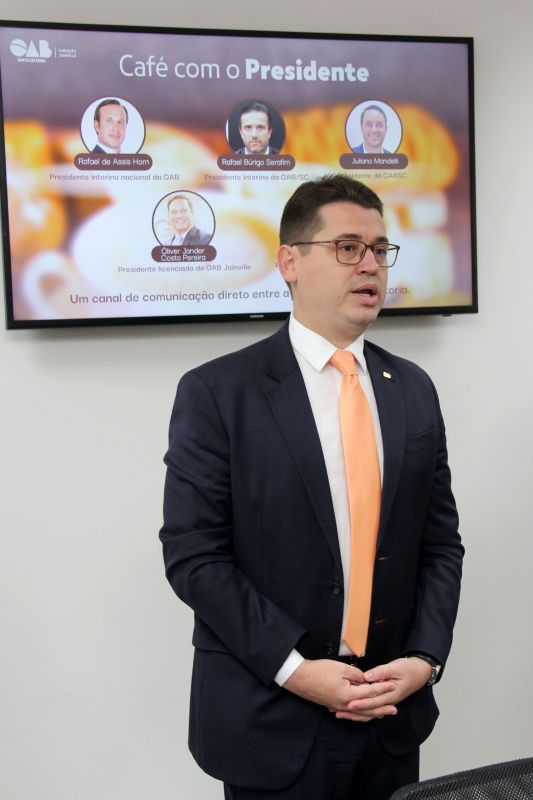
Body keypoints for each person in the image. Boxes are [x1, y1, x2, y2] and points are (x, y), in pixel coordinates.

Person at [160, 174, 463, 800]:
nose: (370, 264)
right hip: (271, 716)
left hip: (389, 713)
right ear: (289, 263)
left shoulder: (413, 389)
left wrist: (425, 659)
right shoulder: (218, 392)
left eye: (379, 249)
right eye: (347, 247)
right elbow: (195, 556)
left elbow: (440, 546)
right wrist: (295, 669)